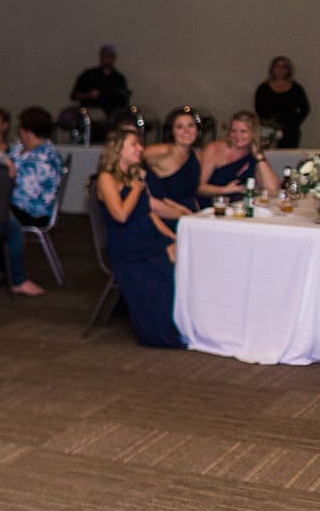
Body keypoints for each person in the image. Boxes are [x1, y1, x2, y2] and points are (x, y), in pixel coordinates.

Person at [95, 129, 185, 349]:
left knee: (187, 256)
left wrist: (174, 235)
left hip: (148, 238)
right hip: (129, 247)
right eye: (134, 145)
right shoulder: (106, 178)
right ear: (119, 149)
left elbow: (150, 214)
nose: (140, 149)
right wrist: (136, 189)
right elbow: (121, 214)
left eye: (140, 145)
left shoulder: (132, 175)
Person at [6, 107, 65, 296]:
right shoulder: (24, 149)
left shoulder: (44, 158)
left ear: (27, 131)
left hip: (32, 210)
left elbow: (26, 194)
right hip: (19, 202)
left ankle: (13, 275)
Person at [201, 110, 279, 199]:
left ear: (253, 133)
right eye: (233, 131)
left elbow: (273, 191)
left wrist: (259, 156)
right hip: (213, 205)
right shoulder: (214, 149)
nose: (237, 136)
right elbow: (197, 186)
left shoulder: (254, 154)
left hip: (240, 207)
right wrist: (224, 190)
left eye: (243, 131)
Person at [144, 107, 202, 221]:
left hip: (190, 215)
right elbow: (129, 159)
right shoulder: (163, 151)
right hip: (166, 216)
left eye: (191, 126)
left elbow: (192, 195)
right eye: (180, 127)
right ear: (171, 131)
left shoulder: (197, 156)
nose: (186, 131)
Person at [255, 55, 309, 149]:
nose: (280, 69)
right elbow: (259, 108)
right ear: (273, 69)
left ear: (288, 70)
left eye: (284, 67)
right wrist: (267, 123)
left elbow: (305, 108)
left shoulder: (296, 88)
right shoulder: (263, 88)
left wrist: (295, 122)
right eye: (278, 66)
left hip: (290, 131)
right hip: (269, 130)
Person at [71, 44, 130, 117]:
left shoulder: (119, 79)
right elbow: (74, 95)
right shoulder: (88, 75)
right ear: (100, 57)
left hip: (111, 117)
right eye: (104, 56)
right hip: (92, 115)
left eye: (110, 56)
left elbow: (124, 99)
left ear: (114, 58)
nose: (107, 59)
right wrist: (89, 95)